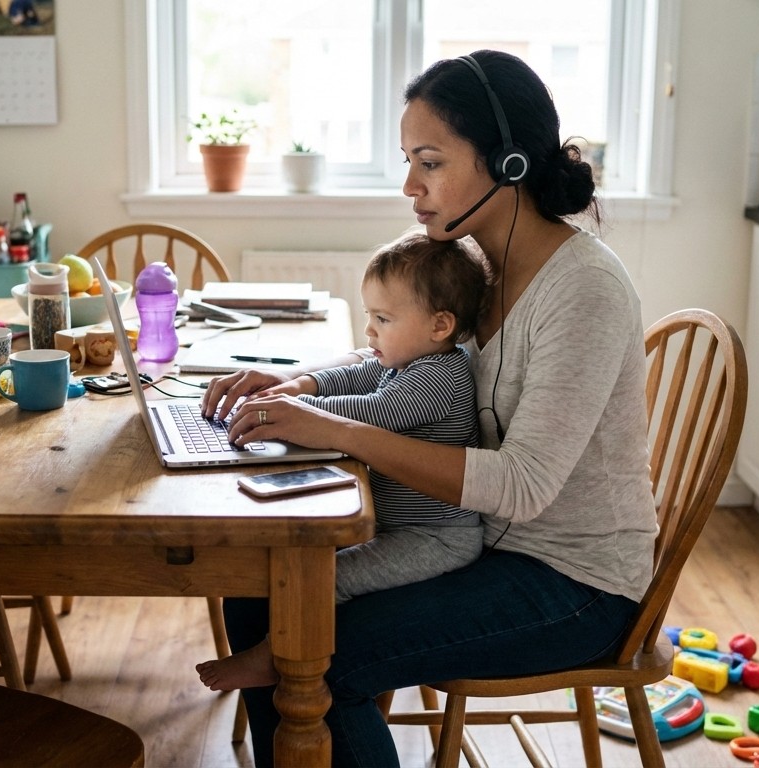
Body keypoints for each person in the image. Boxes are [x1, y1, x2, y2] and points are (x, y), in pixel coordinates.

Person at [201, 49, 657, 767]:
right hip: (490, 547)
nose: (411, 185)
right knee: (260, 593)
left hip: (575, 585)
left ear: (507, 163)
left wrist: (333, 427)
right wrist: (296, 384)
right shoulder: (485, 265)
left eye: (431, 161)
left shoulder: (585, 291)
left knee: (313, 653)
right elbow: (409, 355)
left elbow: (523, 486)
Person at [196, 230, 490, 692]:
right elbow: (361, 371)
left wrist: (298, 415)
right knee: (283, 558)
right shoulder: (412, 360)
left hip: (437, 538)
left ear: (440, 326)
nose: (369, 330)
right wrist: (301, 386)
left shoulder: (440, 379)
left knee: (329, 577)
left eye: (383, 318)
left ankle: (275, 657)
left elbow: (374, 412)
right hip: (404, 527)